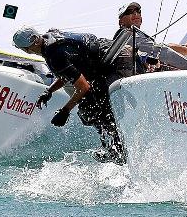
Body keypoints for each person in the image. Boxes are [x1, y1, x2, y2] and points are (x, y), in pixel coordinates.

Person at [12, 26, 125, 165]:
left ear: (29, 47)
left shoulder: (54, 55)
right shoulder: (50, 38)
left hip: (107, 62)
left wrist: (65, 111)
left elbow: (83, 87)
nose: (26, 51)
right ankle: (112, 147)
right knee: (91, 107)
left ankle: (116, 151)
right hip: (103, 52)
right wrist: (49, 91)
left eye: (25, 49)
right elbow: (68, 74)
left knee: (91, 109)